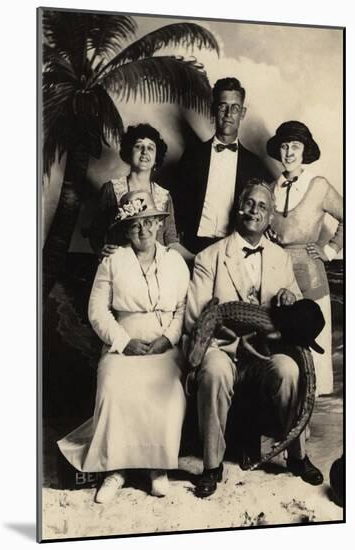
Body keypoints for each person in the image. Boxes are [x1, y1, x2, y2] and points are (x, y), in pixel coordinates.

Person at [185, 179, 323, 499]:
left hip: (265, 352)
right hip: (223, 349)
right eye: (249, 203)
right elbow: (195, 319)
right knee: (216, 370)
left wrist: (290, 298)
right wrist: (224, 329)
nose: (254, 210)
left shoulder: (280, 258)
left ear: (271, 216)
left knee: (289, 370)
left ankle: (297, 457)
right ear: (238, 207)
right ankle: (211, 466)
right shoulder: (210, 257)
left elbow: (296, 320)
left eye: (262, 206)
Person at [58, 190, 190, 503]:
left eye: (148, 222)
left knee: (169, 392)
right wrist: (124, 342)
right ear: (126, 229)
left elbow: (183, 307)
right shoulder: (113, 262)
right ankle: (115, 470)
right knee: (113, 386)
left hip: (163, 345)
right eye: (134, 225)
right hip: (123, 344)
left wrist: (167, 339)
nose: (142, 230)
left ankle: (155, 466)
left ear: (159, 223)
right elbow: (97, 311)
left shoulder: (175, 262)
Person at [266, 121, 343, 395]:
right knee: (282, 344)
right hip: (276, 274)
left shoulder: (318, 186)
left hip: (309, 273)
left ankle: (309, 405)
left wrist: (330, 250)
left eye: (295, 146)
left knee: (312, 344)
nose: (288, 152)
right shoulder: (269, 188)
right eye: (284, 146)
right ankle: (288, 407)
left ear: (305, 150)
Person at [174, 77, 273, 255]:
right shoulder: (192, 157)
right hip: (194, 247)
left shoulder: (254, 165)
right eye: (222, 106)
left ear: (242, 113)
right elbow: (176, 204)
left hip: (235, 248)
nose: (228, 114)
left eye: (235, 108)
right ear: (214, 109)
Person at [89, 123, 194, 263]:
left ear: (157, 157)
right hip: (121, 267)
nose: (145, 152)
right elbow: (96, 233)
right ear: (128, 152)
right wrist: (101, 249)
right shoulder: (110, 189)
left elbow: (171, 242)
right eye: (138, 146)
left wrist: (197, 258)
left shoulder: (164, 196)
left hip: (156, 270)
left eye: (151, 148)